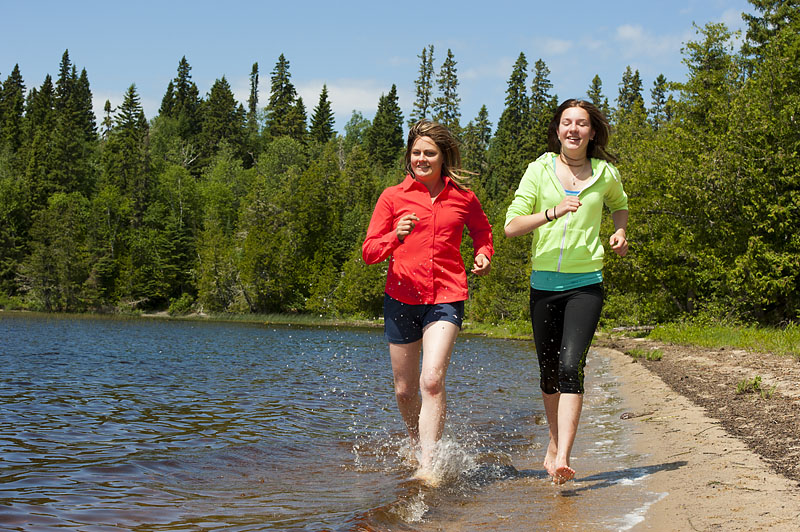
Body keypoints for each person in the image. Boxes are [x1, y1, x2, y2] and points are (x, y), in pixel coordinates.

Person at [504, 99, 629, 484]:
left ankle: (564, 458)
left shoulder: (606, 173)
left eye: (581, 123)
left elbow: (620, 206)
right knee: (549, 374)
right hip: (544, 285)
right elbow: (511, 226)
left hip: (586, 283)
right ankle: (555, 442)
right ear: (558, 130)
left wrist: (620, 230)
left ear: (592, 132)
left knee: (571, 365)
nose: (573, 129)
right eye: (566, 123)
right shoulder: (538, 170)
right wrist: (552, 212)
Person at [362, 119, 494, 484]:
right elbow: (370, 252)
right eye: (416, 152)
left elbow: (483, 232)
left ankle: (429, 465)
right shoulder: (392, 197)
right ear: (410, 156)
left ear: (442, 158)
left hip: (447, 296)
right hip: (401, 298)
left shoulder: (463, 198)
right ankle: (417, 443)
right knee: (405, 391)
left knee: (432, 380)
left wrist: (483, 254)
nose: (422, 159)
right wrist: (394, 235)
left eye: (429, 153)